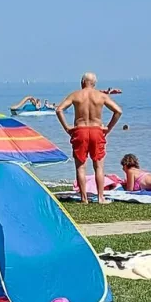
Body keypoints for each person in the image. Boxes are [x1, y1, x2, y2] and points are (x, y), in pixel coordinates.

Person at [53, 73, 122, 205]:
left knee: (80, 167)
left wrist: (67, 127)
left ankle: (84, 198)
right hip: (97, 130)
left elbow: (59, 110)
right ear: (94, 83)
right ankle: (101, 198)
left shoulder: (76, 95)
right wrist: (108, 128)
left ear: (82, 82)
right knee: (99, 167)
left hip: (80, 130)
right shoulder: (101, 96)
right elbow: (118, 111)